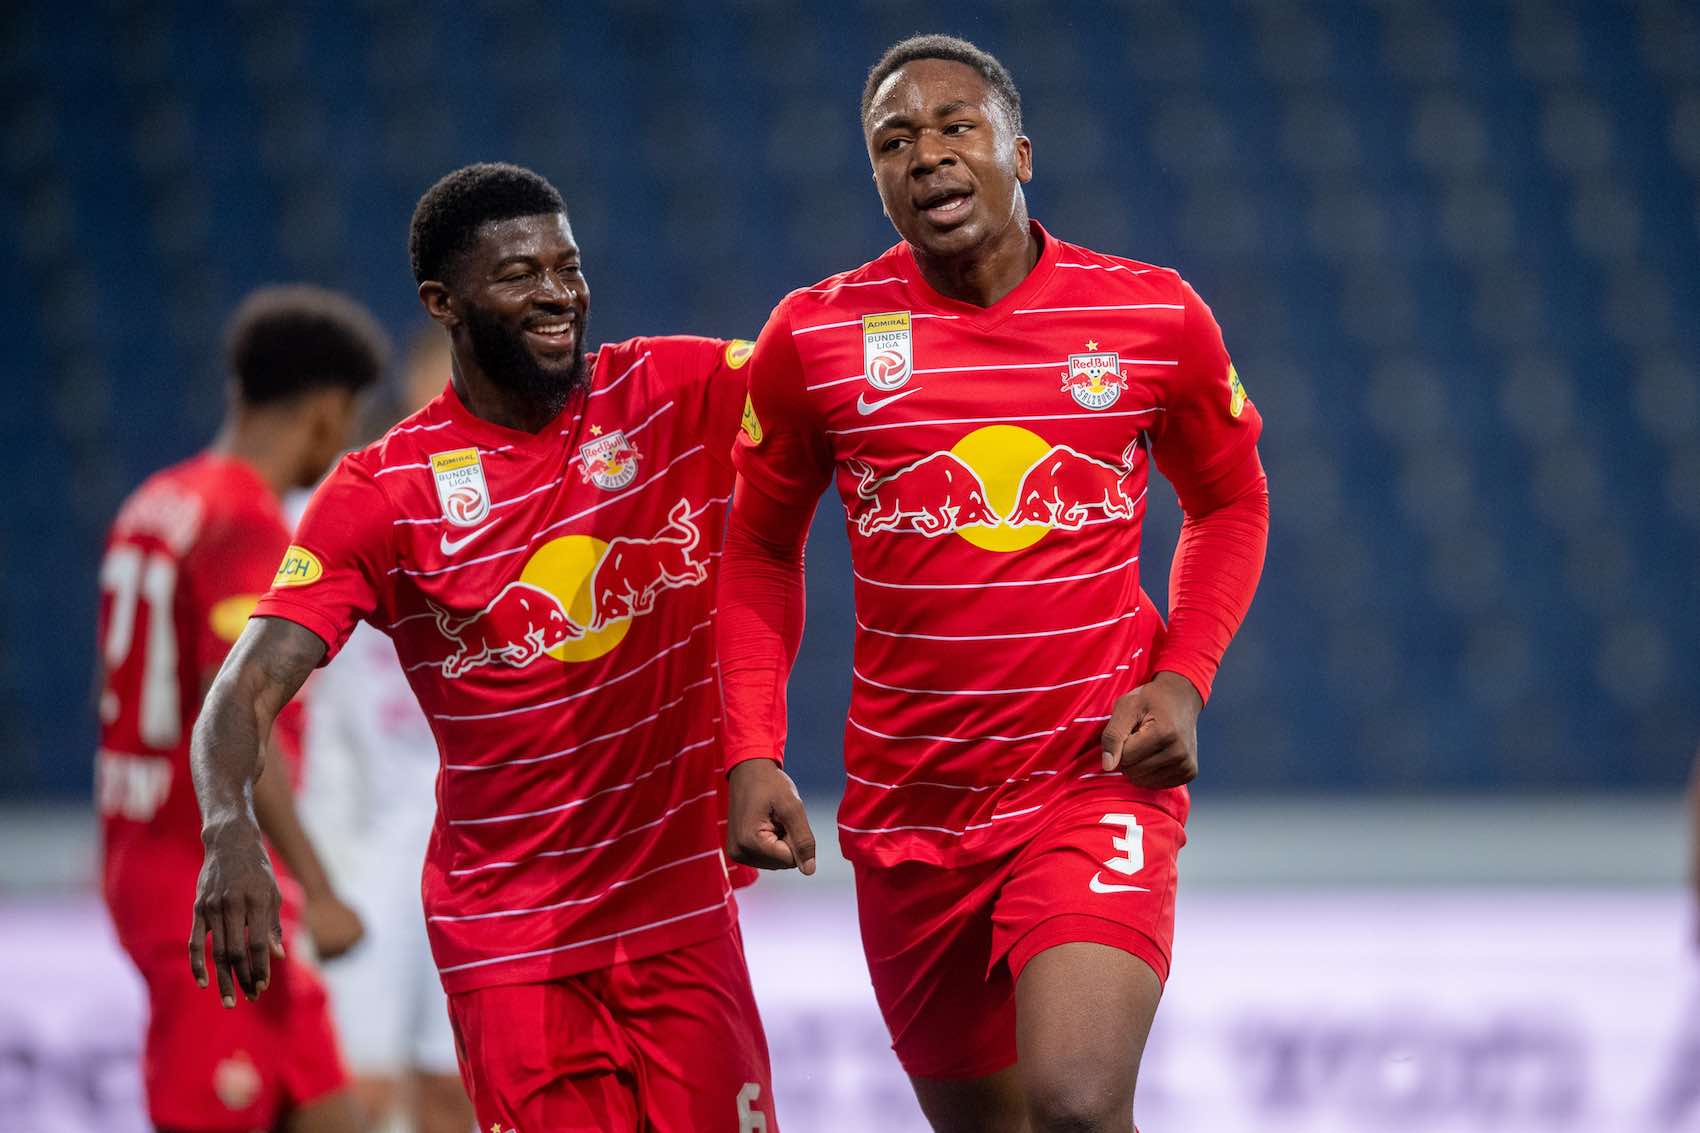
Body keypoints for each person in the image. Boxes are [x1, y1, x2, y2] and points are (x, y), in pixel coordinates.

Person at [719, 35, 1270, 1133]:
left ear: (1018, 151)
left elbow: (1230, 503)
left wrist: (1182, 678)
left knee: (1076, 1103)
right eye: (894, 140)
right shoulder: (816, 336)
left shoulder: (1152, 315)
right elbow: (757, 550)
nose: (925, 153)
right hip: (909, 811)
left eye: (954, 126)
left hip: (1089, 776)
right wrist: (750, 748)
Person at [187, 162, 778, 1133]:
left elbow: (831, 375)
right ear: (443, 302)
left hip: (680, 917)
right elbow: (240, 691)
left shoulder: (671, 389)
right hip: (513, 941)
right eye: (518, 273)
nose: (556, 292)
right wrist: (229, 830)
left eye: (567, 266)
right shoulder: (383, 491)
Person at [96, 285, 382, 1133]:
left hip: (147, 849)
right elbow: (236, 718)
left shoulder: (155, 501)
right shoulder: (245, 520)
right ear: (327, 411)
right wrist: (321, 888)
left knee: (332, 1113)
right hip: (209, 885)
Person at [296, 327, 475, 1133]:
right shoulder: (340, 503)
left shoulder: (536, 503)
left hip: (477, 846)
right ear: (412, 379)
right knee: (356, 1087)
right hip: (359, 848)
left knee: (454, 1087)